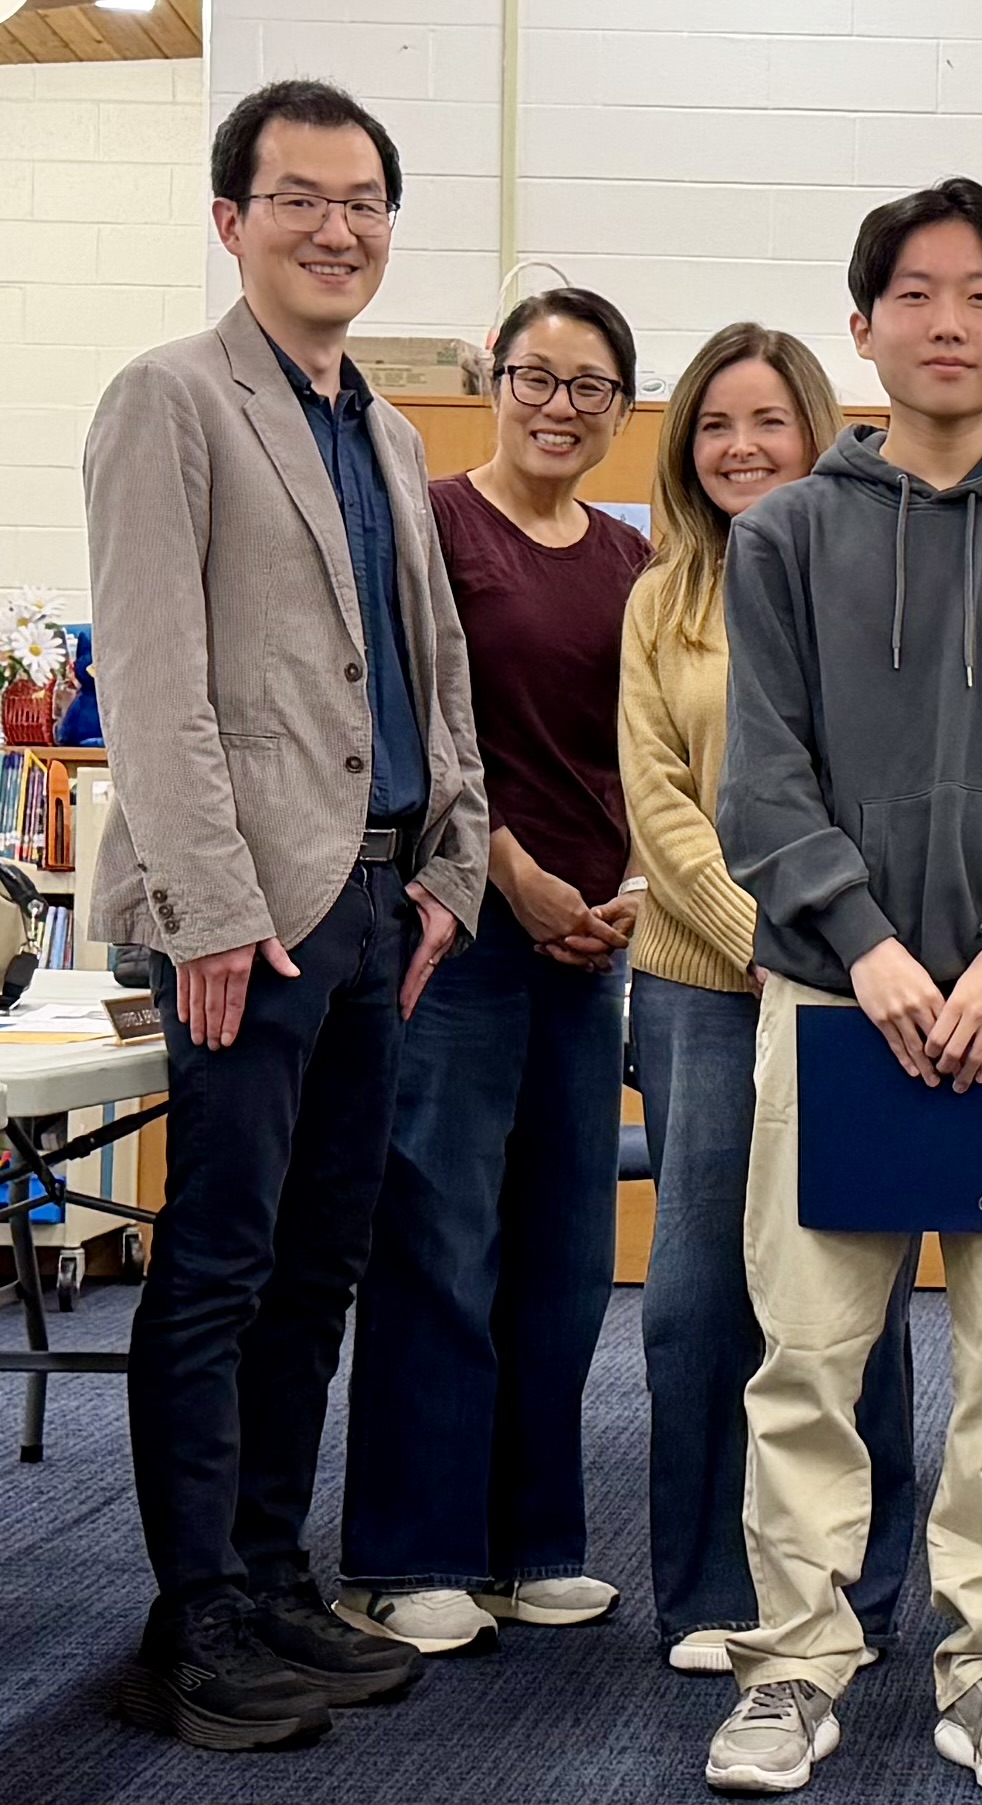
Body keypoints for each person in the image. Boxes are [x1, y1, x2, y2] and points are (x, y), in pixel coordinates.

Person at [699, 177, 982, 1800]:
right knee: (812, 1351)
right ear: (863, 325)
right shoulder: (785, 534)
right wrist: (875, 949)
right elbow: (759, 780)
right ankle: (797, 1656)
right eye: (913, 293)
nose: (946, 321)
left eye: (978, 296)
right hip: (836, 1004)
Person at [83, 77, 482, 1747]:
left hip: (383, 898)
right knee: (222, 1266)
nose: (338, 228)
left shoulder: (381, 425)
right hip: (251, 915)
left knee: (323, 1261)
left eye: (366, 201)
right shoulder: (170, 399)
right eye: (302, 197)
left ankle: (267, 1570)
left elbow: (424, 664)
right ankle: (196, 1617)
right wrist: (213, 916)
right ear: (231, 216)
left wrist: (453, 859)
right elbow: (157, 690)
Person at [336, 287, 653, 1654]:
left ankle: (535, 1542)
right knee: (439, 1239)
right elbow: (428, 728)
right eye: (539, 375)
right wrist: (510, 871)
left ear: (620, 408)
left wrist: (633, 885)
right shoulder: (437, 527)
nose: (561, 405)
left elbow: (652, 749)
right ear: (496, 380)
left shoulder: (628, 564)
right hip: (463, 931)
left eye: (591, 385)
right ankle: (411, 1551)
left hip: (592, 944)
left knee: (564, 1254)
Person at [619, 323, 926, 1676]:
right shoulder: (660, 597)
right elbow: (659, 801)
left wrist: (829, 943)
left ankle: (853, 1595)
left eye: (766, 422)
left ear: (814, 431)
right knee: (694, 1297)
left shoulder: (877, 583)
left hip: (856, 981)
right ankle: (704, 1594)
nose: (740, 448)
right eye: (713, 426)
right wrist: (761, 933)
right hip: (700, 986)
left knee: (850, 1294)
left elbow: (899, 782)